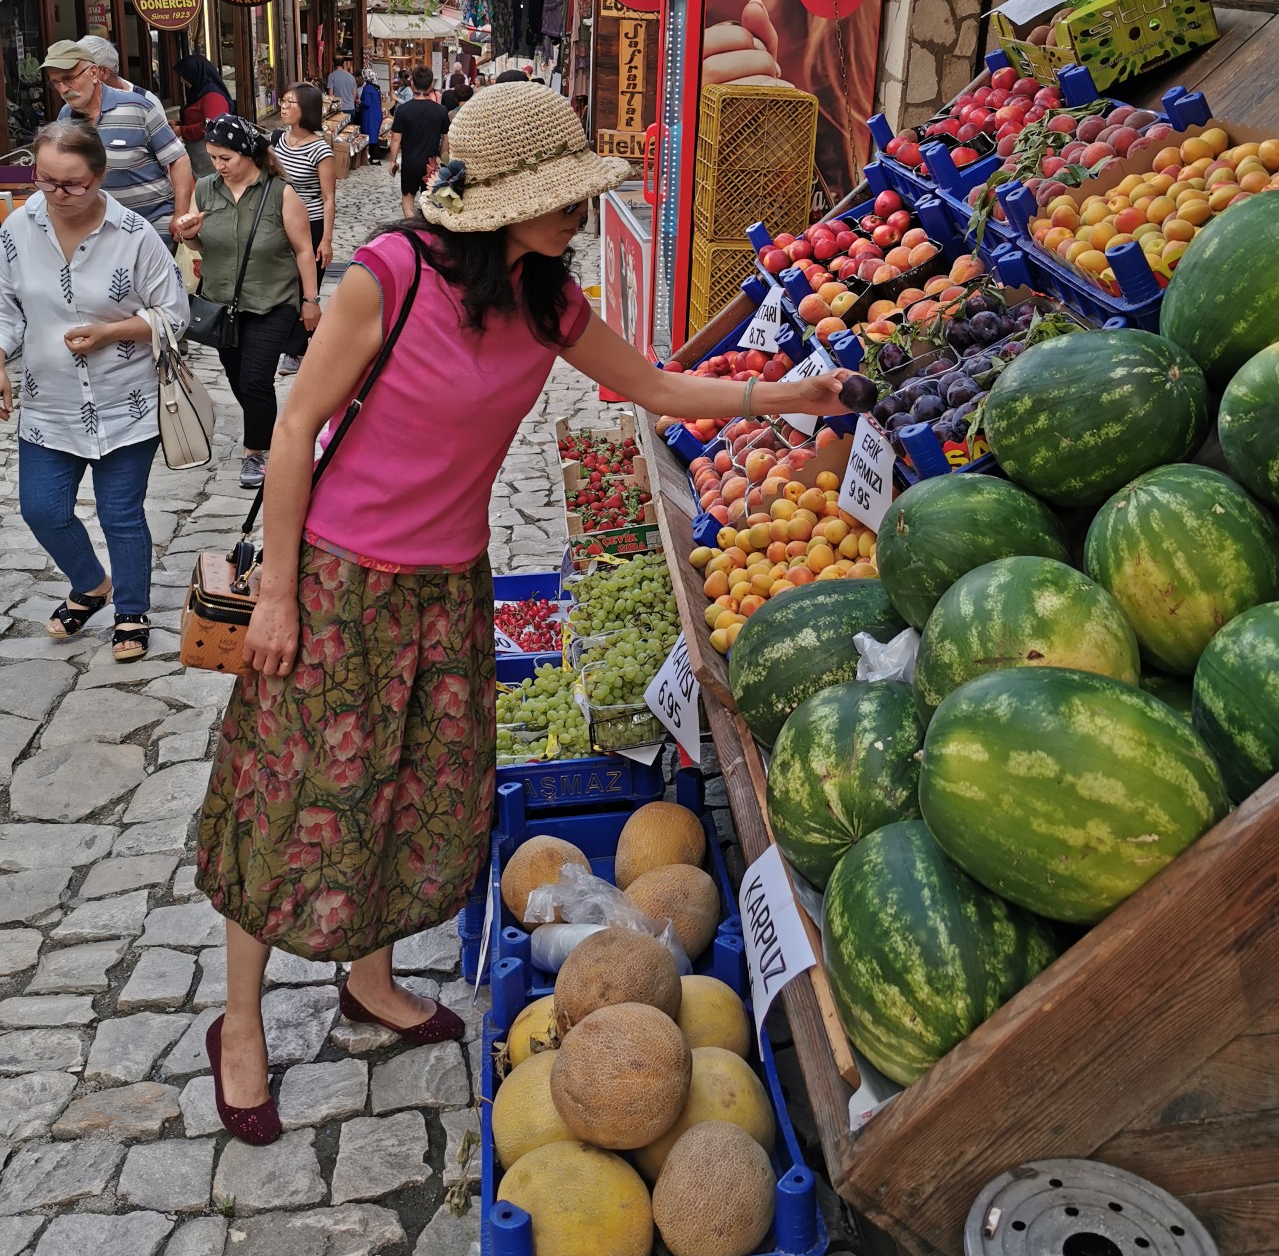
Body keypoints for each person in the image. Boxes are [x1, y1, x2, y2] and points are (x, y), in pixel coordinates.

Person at [193, 80, 850, 1143]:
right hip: (340, 580)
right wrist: (276, 592)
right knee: (288, 796)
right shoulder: (385, 278)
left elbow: (659, 389)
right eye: (561, 202)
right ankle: (239, 1025)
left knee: (412, 788)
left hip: (451, 583)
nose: (578, 220)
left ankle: (370, 978)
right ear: (497, 204)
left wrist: (786, 396)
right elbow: (294, 426)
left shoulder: (548, 300)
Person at [0, 121, 190, 662]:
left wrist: (114, 331)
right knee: (42, 510)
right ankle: (91, 584)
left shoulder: (135, 236)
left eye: (73, 184)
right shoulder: (16, 230)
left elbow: (174, 316)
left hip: (124, 400)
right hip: (48, 398)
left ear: (100, 176)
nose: (58, 194)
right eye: (46, 180)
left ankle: (131, 609)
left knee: (120, 514)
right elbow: (5, 307)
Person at [171, 117, 320, 490]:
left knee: (255, 381)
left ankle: (256, 452)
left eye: (225, 158)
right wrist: (189, 237)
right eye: (213, 158)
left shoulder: (279, 193)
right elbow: (198, 246)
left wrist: (311, 300)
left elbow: (303, 250)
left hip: (273, 301)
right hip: (222, 304)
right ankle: (264, 423)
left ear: (249, 154)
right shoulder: (204, 190)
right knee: (238, 378)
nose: (218, 166)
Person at [44, 38, 193, 247]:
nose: (63, 88)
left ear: (94, 73)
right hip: (98, 233)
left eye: (69, 78)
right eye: (55, 82)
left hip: (152, 228)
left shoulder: (137, 107)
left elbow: (179, 159)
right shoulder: (66, 117)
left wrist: (180, 215)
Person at [271, 84, 337, 377]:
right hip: (279, 222)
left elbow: (328, 198)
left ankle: (295, 349)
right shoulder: (278, 140)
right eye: (283, 101)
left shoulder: (320, 148)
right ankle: (293, 339)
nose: (283, 107)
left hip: (310, 224)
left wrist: (326, 239)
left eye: (290, 103)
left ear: (306, 109)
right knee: (283, 282)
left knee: (305, 285)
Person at [387, 66, 446, 219]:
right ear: (431, 85)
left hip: (410, 161)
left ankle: (412, 228)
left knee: (408, 197)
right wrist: (442, 160)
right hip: (432, 163)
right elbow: (446, 138)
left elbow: (396, 138)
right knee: (431, 200)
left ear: (412, 84)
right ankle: (427, 229)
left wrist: (392, 161)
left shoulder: (404, 110)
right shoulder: (441, 111)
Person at [174, 54, 233, 179]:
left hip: (209, 156)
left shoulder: (212, 96)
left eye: (184, 77)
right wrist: (179, 124)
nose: (182, 81)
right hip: (201, 155)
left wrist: (181, 131)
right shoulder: (199, 93)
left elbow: (210, 125)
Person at [358, 69, 387, 164]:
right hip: (376, 114)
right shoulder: (375, 88)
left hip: (370, 115)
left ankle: (374, 158)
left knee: (370, 136)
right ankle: (374, 157)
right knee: (374, 135)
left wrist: (358, 102)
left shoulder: (367, 89)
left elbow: (367, 103)